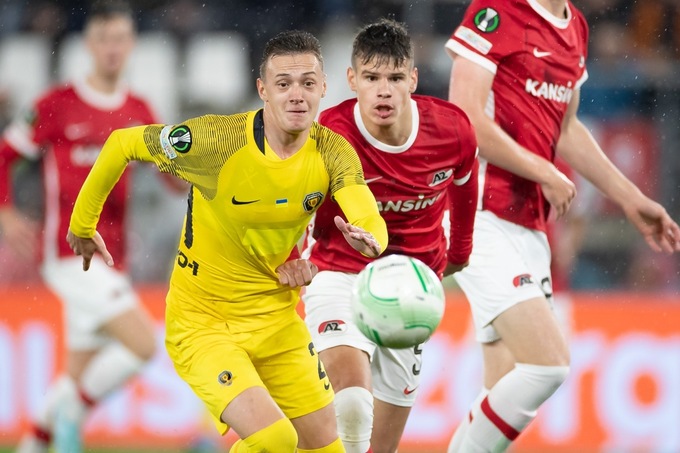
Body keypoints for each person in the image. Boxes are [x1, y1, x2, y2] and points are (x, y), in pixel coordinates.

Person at [66, 30, 388, 453]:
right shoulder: (216, 142)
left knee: (329, 449)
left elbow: (366, 213)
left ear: (324, 88)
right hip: (204, 324)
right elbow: (122, 143)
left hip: (276, 321)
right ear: (263, 90)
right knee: (275, 439)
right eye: (284, 84)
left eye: (308, 83)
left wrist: (372, 239)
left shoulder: (333, 152)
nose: (297, 95)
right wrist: (83, 224)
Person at [443, 1, 680, 452]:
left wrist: (631, 198)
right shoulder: (497, 10)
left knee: (503, 390)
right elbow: (465, 117)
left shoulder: (576, 28)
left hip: (529, 225)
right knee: (547, 365)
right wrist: (543, 170)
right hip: (479, 213)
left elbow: (566, 130)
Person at [302, 19, 478, 453]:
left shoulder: (453, 130)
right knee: (352, 405)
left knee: (380, 446)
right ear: (352, 80)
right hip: (340, 272)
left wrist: (459, 253)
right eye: (372, 78)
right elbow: (295, 209)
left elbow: (465, 189)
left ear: (413, 80)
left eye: (395, 78)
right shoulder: (329, 134)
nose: (384, 91)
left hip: (412, 290)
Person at [0, 2, 168, 453]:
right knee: (143, 346)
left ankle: (34, 444)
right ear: (89, 45)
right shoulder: (55, 105)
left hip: (114, 260)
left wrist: (185, 169)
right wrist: (6, 211)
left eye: (120, 39)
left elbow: (171, 175)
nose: (112, 48)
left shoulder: (139, 109)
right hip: (69, 254)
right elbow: (4, 155)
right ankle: (73, 412)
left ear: (131, 44)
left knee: (75, 374)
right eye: (104, 39)